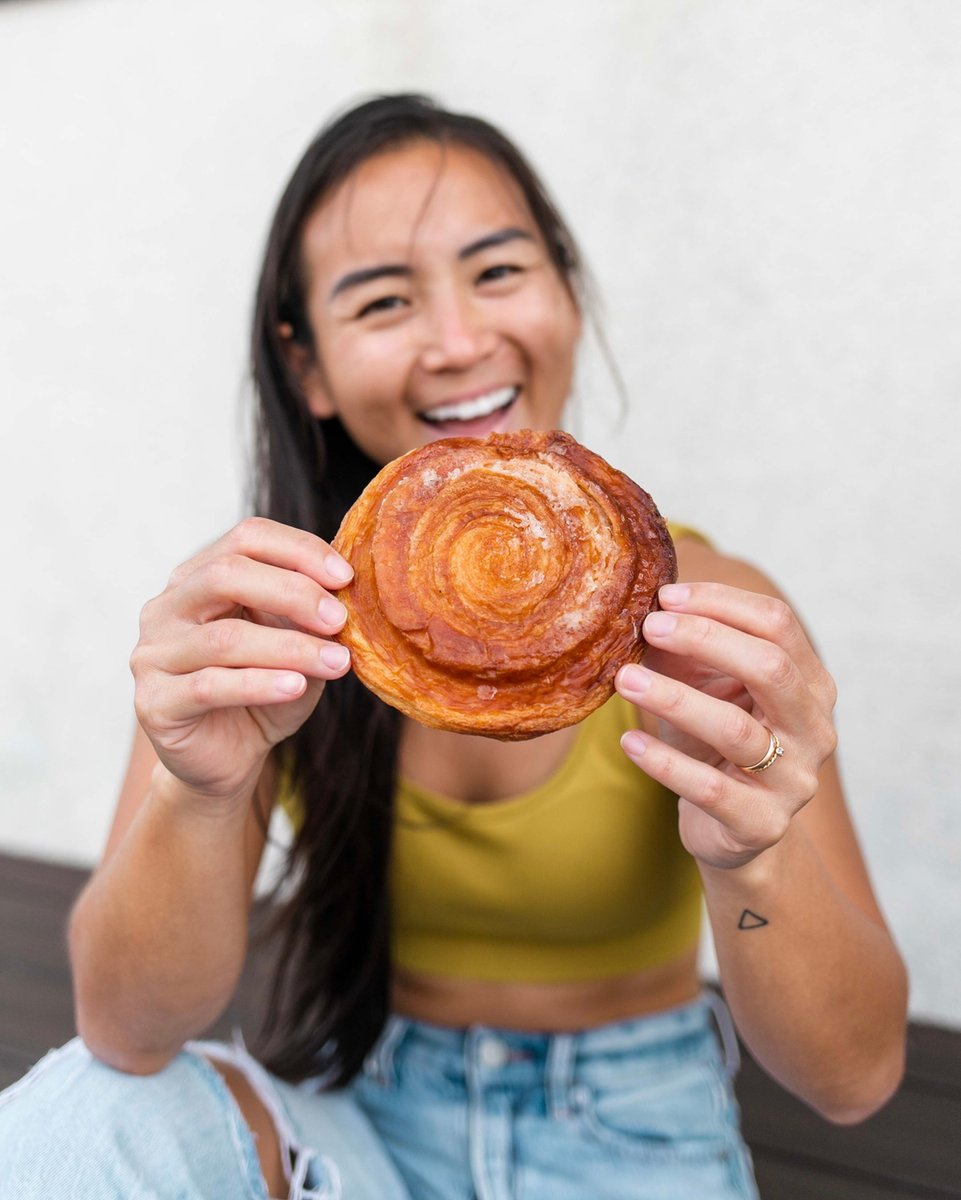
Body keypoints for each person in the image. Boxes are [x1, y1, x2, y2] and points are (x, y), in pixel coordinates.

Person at [0, 94, 908, 1200]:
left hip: (631, 1128)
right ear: (310, 370)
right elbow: (127, 1032)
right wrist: (199, 792)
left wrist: (754, 853)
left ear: (567, 292)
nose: (460, 341)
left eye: (498, 272)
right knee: (87, 1117)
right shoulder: (266, 614)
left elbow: (855, 1080)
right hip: (358, 1114)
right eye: (384, 299)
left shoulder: (712, 620)